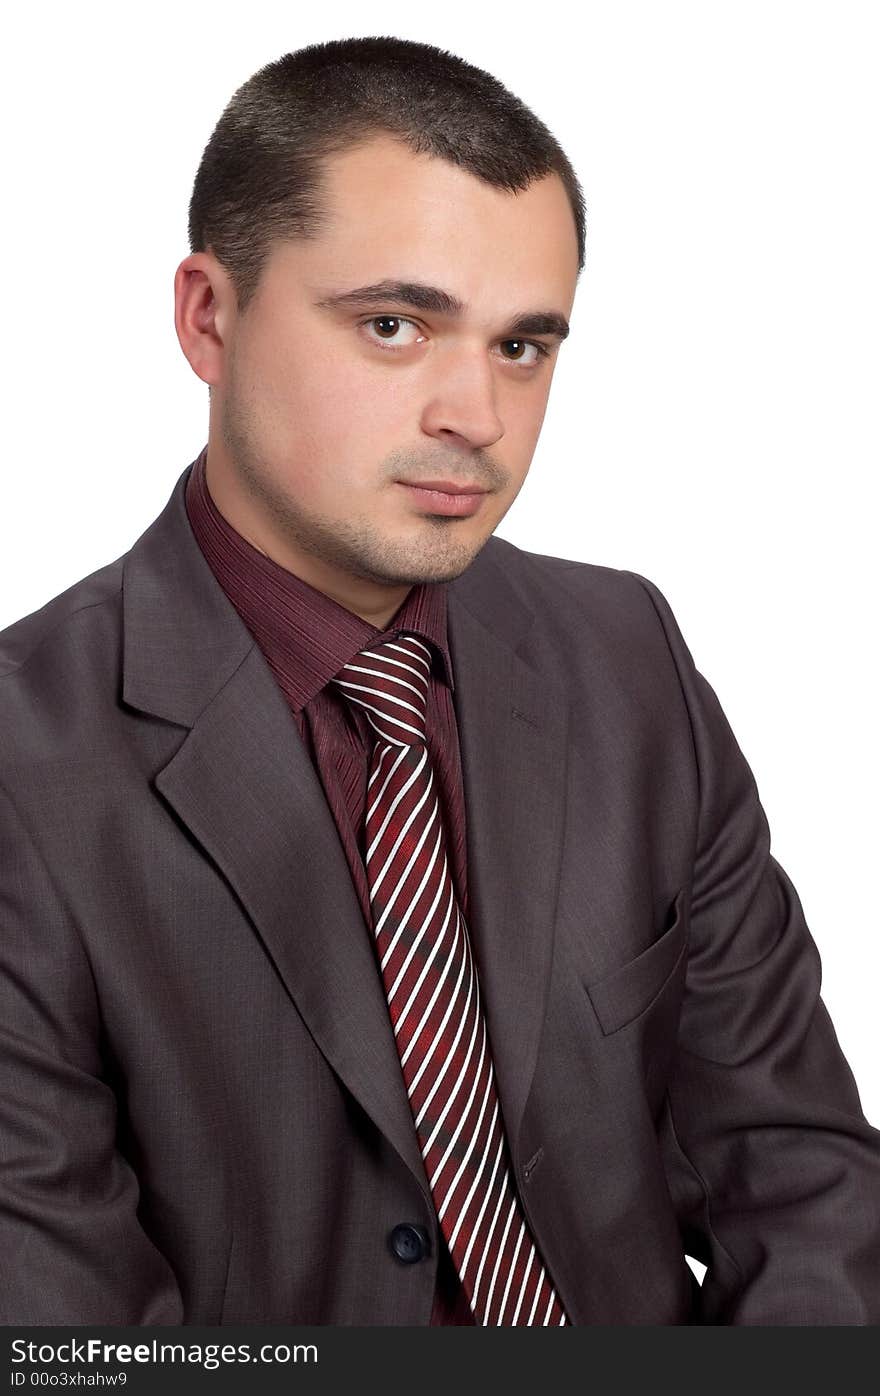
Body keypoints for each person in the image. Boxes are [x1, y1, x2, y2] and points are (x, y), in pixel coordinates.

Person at [0, 34, 877, 1329]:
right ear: (209, 317)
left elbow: (801, 1177)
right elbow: (68, 1345)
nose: (476, 411)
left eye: (524, 347)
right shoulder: (28, 765)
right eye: (395, 327)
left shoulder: (625, 653)